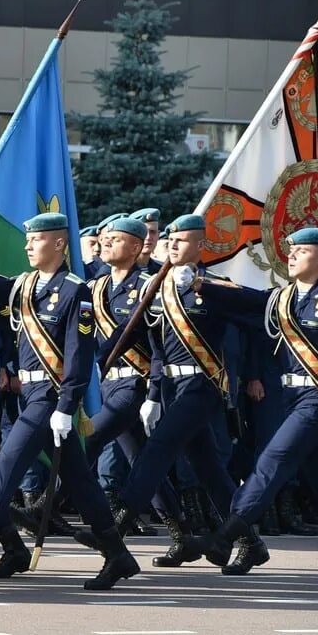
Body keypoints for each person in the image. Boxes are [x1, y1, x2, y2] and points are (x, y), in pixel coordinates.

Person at [0, 212, 138, 590]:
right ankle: (117, 554)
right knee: (80, 482)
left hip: (51, 399)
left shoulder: (75, 291)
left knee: (5, 466)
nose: (27, 246)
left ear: (57, 243)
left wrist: (68, 406)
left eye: (34, 240)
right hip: (31, 394)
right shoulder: (24, 285)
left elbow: (79, 355)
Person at [179, 227, 318, 588]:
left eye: (302, 250)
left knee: (271, 462)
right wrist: (203, 284)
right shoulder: (284, 298)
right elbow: (250, 300)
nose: (292, 255)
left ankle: (225, 535)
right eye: (291, 249)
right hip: (293, 399)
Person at [103, 214, 258, 573]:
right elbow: (155, 350)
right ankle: (251, 542)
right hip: (171, 387)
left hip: (202, 387)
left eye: (182, 240)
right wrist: (155, 394)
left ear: (201, 247)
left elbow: (256, 306)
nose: (172, 245)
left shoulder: (214, 286)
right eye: (169, 240)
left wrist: (205, 286)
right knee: (208, 468)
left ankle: (117, 527)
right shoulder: (157, 288)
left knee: (158, 450)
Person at [76, 216, 191, 566]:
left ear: (138, 246)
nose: (106, 243)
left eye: (116, 238)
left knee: (89, 440)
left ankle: (91, 522)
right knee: (141, 462)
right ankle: (182, 535)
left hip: (134, 385)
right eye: (105, 238)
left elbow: (158, 348)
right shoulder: (95, 287)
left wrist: (155, 392)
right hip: (106, 384)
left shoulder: (148, 287)